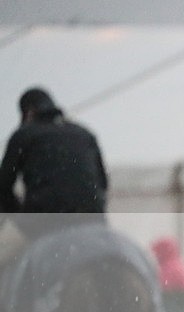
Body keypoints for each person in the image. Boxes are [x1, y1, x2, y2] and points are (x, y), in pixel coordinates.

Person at [0, 87, 108, 239]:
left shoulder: (23, 135)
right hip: (93, 222)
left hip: (46, 223)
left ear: (28, 112)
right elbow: (103, 183)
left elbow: (3, 188)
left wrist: (21, 219)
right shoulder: (84, 133)